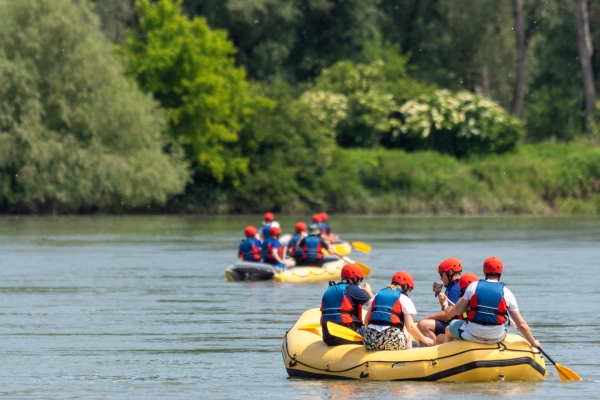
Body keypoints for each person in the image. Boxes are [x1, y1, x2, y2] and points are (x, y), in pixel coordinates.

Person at [447, 257, 541, 348]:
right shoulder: (507, 293)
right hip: (497, 337)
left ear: (484, 271)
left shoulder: (473, 286)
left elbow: (458, 311)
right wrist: (533, 342)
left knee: (450, 327)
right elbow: (521, 324)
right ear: (500, 272)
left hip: (473, 335)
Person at [364, 272, 435, 351]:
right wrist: (424, 339)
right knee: (407, 335)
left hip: (369, 341)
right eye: (410, 289)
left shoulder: (377, 295)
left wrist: (376, 335)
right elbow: (411, 327)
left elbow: (366, 321)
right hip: (390, 342)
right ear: (405, 286)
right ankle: (407, 360)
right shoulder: (404, 298)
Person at [320, 264, 374, 346]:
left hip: (328, 337)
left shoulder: (329, 289)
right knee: (378, 333)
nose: (360, 282)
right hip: (348, 335)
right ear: (355, 278)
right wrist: (369, 292)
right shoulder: (352, 288)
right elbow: (376, 306)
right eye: (360, 279)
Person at [416, 258, 463, 345]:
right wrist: (439, 294)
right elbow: (446, 309)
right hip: (455, 323)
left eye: (441, 274)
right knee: (425, 324)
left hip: (455, 324)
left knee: (423, 325)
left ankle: (432, 353)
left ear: (449, 273)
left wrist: (427, 317)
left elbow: (448, 315)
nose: (441, 278)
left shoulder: (455, 289)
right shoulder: (453, 286)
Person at [441, 272, 478, 342]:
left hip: (471, 332)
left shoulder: (463, 300)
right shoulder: (481, 297)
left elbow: (448, 314)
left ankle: (448, 352)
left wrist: (445, 302)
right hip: (490, 332)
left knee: (448, 329)